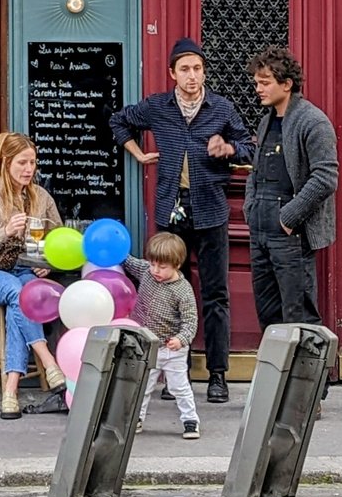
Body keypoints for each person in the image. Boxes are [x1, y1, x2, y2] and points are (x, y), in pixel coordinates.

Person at [108, 37, 254, 403]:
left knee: (215, 293)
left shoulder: (221, 108)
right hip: (171, 212)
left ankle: (218, 374)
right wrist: (138, 154)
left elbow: (250, 145)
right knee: (169, 291)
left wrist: (230, 148)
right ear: (172, 73)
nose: (192, 76)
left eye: (198, 69)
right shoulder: (158, 107)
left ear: (205, 72)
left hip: (210, 210)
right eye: (185, 69)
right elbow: (118, 120)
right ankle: (177, 372)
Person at [0, 131, 68, 419]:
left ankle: (10, 391)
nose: (29, 169)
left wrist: (47, 261)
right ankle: (48, 361)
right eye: (22, 162)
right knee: (19, 293)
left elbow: (57, 237)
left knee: (22, 299)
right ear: (6, 161)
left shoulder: (41, 197)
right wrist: (4, 232)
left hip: (25, 271)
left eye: (33, 162)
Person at [244, 46, 338, 329]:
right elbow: (256, 170)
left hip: (290, 232)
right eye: (257, 83)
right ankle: (277, 372)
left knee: (299, 316)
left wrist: (289, 217)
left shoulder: (313, 121)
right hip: (261, 228)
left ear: (286, 84)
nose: (258, 89)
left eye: (265, 82)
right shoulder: (266, 121)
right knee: (269, 313)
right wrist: (251, 207)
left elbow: (325, 177)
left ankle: (304, 374)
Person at [123, 232, 200, 440]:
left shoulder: (183, 291)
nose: (155, 270)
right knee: (143, 385)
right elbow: (129, 262)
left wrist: (181, 339)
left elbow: (190, 322)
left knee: (179, 386)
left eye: (162, 267)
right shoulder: (147, 273)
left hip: (171, 347)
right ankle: (136, 418)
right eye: (152, 264)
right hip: (147, 345)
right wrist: (117, 250)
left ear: (176, 264)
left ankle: (190, 420)